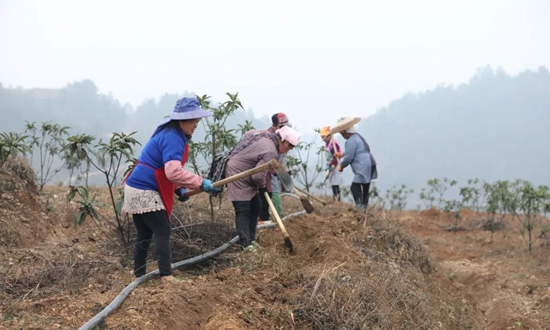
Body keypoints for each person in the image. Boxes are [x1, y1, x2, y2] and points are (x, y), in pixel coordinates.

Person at [122, 97, 220, 282]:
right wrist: (200, 182)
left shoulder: (171, 133)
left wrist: (179, 189)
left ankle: (139, 273)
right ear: (181, 120)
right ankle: (166, 275)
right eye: (193, 121)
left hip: (134, 188)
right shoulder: (173, 137)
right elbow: (173, 172)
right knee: (163, 230)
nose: (196, 125)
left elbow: (165, 169)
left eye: (197, 121)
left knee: (145, 233)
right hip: (144, 190)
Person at [225, 125, 300, 251]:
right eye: (290, 147)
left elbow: (248, 133)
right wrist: (263, 186)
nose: (288, 151)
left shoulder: (267, 136)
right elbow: (257, 177)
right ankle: (246, 245)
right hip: (237, 173)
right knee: (243, 209)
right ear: (285, 142)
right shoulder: (270, 150)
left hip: (247, 172)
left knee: (256, 206)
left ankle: (251, 240)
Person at [331, 117, 378, 210]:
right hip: (368, 162)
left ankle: (360, 209)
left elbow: (349, 157)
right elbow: (352, 152)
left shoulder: (350, 141)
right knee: (365, 187)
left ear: (345, 132)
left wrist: (341, 166)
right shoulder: (357, 136)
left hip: (362, 165)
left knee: (354, 187)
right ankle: (365, 209)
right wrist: (341, 154)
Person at [259, 113, 291, 223]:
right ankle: (271, 216)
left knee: (270, 192)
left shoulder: (283, 135)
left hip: (274, 168)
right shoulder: (269, 137)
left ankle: (271, 216)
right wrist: (273, 170)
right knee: (269, 192)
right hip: (265, 170)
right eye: (282, 127)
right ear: (275, 125)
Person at [319, 126, 343, 201]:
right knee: (333, 183)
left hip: (336, 165)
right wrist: (327, 168)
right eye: (322, 137)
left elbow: (335, 158)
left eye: (324, 137)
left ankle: (337, 200)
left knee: (335, 183)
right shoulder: (327, 144)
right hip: (330, 165)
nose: (323, 139)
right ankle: (335, 199)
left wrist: (330, 168)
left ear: (329, 136)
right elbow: (328, 158)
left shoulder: (333, 144)